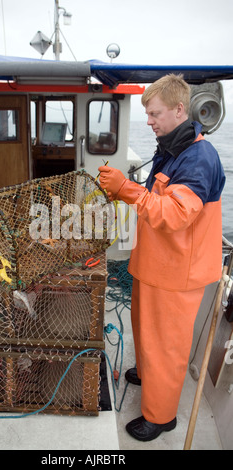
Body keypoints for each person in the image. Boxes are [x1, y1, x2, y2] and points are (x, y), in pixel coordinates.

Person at [98, 74, 225, 442]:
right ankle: (146, 372)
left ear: (179, 110)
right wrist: (126, 190)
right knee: (145, 331)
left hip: (177, 274)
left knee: (166, 347)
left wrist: (125, 189)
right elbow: (155, 196)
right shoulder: (171, 147)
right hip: (154, 266)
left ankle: (160, 416)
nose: (149, 121)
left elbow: (175, 215)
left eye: (154, 114)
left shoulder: (199, 157)